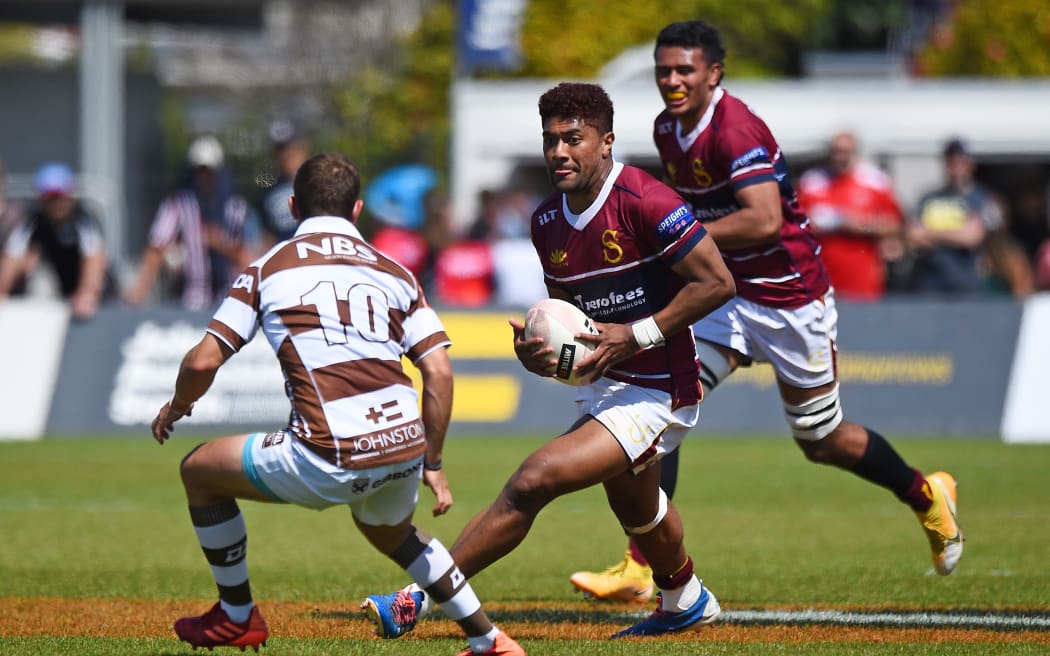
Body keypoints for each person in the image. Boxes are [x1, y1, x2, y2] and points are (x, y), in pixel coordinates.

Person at [568, 20, 963, 604]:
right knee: (663, 408)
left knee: (821, 437)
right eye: (663, 71)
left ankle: (926, 496)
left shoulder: (736, 128)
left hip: (789, 300)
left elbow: (763, 219)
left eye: (684, 70)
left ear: (713, 74)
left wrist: (681, 238)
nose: (672, 81)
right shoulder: (666, 127)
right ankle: (643, 565)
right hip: (725, 297)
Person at [362, 82, 736, 639]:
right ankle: (685, 598)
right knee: (638, 508)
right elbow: (580, 331)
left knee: (533, 480)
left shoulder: (646, 202)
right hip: (607, 386)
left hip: (661, 388)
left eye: (574, 139)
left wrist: (634, 336)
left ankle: (421, 595)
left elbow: (717, 282)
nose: (560, 152)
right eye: (551, 140)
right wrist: (546, 357)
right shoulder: (545, 223)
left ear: (606, 142)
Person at [149, 152, 524, 656]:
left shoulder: (267, 269)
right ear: (358, 209)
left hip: (330, 450)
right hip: (402, 445)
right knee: (391, 533)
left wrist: (177, 405)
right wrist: (432, 460)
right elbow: (437, 371)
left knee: (199, 471)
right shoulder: (397, 273)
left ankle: (237, 616)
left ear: (292, 205)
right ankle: (489, 641)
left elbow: (202, 362)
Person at [125, 135, 260, 311]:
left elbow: (251, 256)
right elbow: (156, 247)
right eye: (200, 172)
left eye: (209, 172)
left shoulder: (236, 207)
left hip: (230, 297)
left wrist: (221, 243)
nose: (205, 178)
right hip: (191, 298)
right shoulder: (177, 205)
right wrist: (140, 291)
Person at [797, 131, 905, 302]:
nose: (841, 157)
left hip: (863, 279)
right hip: (820, 278)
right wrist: (825, 224)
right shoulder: (812, 182)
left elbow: (895, 224)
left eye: (846, 152)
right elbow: (796, 225)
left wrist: (862, 225)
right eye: (837, 152)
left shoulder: (874, 181)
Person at [0, 162, 109, 319]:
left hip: (96, 297)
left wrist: (86, 294)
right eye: (50, 198)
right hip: (59, 290)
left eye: (60, 196)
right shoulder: (32, 222)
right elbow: (12, 257)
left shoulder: (84, 220)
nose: (57, 204)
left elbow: (94, 259)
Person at [906, 138, 1002, 295]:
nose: (955, 167)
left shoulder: (981, 197)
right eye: (951, 162)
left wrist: (930, 232)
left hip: (965, 282)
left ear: (970, 164)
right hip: (929, 284)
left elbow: (972, 237)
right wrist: (956, 233)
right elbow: (914, 236)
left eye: (960, 162)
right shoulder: (929, 198)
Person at [259, 119, 310, 243]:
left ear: (304, 148)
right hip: (286, 258)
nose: (287, 155)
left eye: (292, 148)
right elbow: (268, 236)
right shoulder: (268, 194)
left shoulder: (321, 184)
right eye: (281, 150)